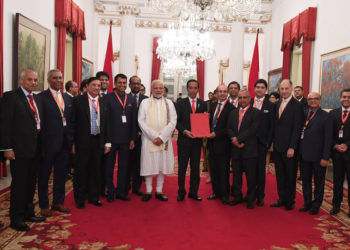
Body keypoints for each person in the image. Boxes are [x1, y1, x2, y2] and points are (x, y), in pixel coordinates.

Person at [1, 69, 45, 231]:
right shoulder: (10, 97)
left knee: (30, 183)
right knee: (19, 185)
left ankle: (28, 212)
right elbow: (5, 125)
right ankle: (16, 218)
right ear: (21, 81)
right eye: (30, 80)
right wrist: (7, 148)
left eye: (35, 80)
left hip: (35, 148)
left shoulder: (37, 98)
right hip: (18, 150)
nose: (33, 83)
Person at [70, 77, 111, 208]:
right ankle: (80, 199)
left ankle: (94, 197)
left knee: (96, 171)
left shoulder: (104, 102)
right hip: (82, 141)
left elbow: (107, 124)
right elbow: (72, 123)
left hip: (98, 140)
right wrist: (72, 142)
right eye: (94, 85)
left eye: (99, 85)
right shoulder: (77, 101)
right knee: (81, 172)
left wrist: (108, 142)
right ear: (87, 86)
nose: (97, 88)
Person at [38, 69, 72, 217]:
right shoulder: (40, 98)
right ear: (48, 80)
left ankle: (58, 202)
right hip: (48, 143)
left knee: (61, 174)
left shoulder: (68, 98)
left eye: (60, 78)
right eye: (55, 78)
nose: (58, 80)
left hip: (65, 143)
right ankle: (44, 204)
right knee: (44, 175)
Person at [138, 80, 177, 202]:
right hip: (149, 139)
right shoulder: (144, 103)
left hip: (164, 140)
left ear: (164, 90)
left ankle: (159, 190)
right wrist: (154, 136)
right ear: (152, 89)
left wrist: (162, 137)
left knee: (162, 164)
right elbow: (141, 121)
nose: (158, 90)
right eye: (156, 88)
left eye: (161, 88)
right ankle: (148, 191)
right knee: (148, 164)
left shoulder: (169, 103)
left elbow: (173, 121)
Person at [271, 79, 303, 210]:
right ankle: (281, 198)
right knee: (280, 175)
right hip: (278, 147)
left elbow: (297, 128)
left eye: (286, 89)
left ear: (291, 89)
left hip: (289, 148)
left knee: (290, 175)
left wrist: (292, 147)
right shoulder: (277, 104)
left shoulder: (297, 105)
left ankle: (290, 201)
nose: (284, 91)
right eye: (282, 89)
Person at [104, 73, 137, 202]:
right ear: (115, 83)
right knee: (109, 167)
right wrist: (107, 140)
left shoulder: (131, 99)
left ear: (127, 84)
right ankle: (110, 191)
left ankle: (121, 192)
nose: (122, 85)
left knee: (124, 167)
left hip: (126, 140)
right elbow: (105, 121)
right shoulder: (107, 98)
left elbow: (134, 121)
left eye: (124, 83)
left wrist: (133, 138)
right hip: (111, 139)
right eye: (120, 83)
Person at [299, 92, 332, 215]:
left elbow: (328, 139)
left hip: (319, 157)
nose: (313, 101)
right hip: (304, 154)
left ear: (320, 100)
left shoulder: (326, 116)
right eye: (310, 99)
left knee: (319, 182)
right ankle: (307, 202)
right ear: (307, 101)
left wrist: (325, 157)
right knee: (305, 181)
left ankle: (316, 205)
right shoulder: (303, 114)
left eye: (315, 99)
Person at [227, 90, 260, 209]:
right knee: (236, 176)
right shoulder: (233, 112)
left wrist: (238, 140)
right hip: (236, 150)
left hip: (249, 150)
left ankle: (250, 199)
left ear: (249, 98)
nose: (242, 100)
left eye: (244, 97)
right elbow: (229, 128)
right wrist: (234, 139)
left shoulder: (255, 113)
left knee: (251, 177)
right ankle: (237, 197)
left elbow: (253, 129)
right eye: (240, 98)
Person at [176, 79, 206, 201]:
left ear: (198, 89)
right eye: (191, 88)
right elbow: (176, 122)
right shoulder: (180, 103)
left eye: (195, 88)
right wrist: (184, 131)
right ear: (187, 89)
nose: (193, 90)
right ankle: (181, 192)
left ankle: (193, 192)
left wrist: (205, 124)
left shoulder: (203, 104)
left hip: (197, 142)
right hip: (184, 141)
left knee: (195, 168)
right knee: (182, 168)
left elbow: (205, 122)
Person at [207, 85, 234, 204]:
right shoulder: (212, 106)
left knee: (223, 171)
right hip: (211, 143)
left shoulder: (232, 108)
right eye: (220, 91)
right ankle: (216, 192)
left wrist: (216, 134)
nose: (222, 94)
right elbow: (210, 123)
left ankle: (225, 194)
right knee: (214, 169)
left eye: (224, 91)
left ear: (227, 93)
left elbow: (229, 128)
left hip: (223, 144)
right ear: (216, 93)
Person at [250, 79, 275, 206]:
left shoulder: (271, 106)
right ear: (254, 89)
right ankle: (250, 194)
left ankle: (260, 196)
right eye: (257, 87)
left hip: (261, 143)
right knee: (250, 170)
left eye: (262, 87)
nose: (259, 89)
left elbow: (272, 126)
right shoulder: (247, 102)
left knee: (260, 171)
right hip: (248, 143)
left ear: (265, 89)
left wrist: (268, 142)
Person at [330, 88, 350, 216]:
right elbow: (328, 134)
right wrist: (335, 145)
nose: (346, 99)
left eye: (349, 97)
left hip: (349, 153)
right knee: (337, 182)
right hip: (337, 154)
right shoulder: (333, 113)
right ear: (340, 98)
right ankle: (336, 205)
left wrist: (347, 145)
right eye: (344, 97)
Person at [127, 75, 148, 196]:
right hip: (127, 137)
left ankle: (136, 187)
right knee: (127, 163)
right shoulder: (125, 98)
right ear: (129, 85)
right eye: (133, 83)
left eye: (138, 83)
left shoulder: (146, 100)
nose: (136, 85)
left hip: (143, 136)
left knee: (140, 163)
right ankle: (125, 186)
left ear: (140, 85)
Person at [96, 71, 110, 197]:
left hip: (105, 138)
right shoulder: (91, 95)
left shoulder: (110, 97)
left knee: (104, 166)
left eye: (106, 80)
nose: (104, 82)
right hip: (91, 137)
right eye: (102, 80)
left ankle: (102, 189)